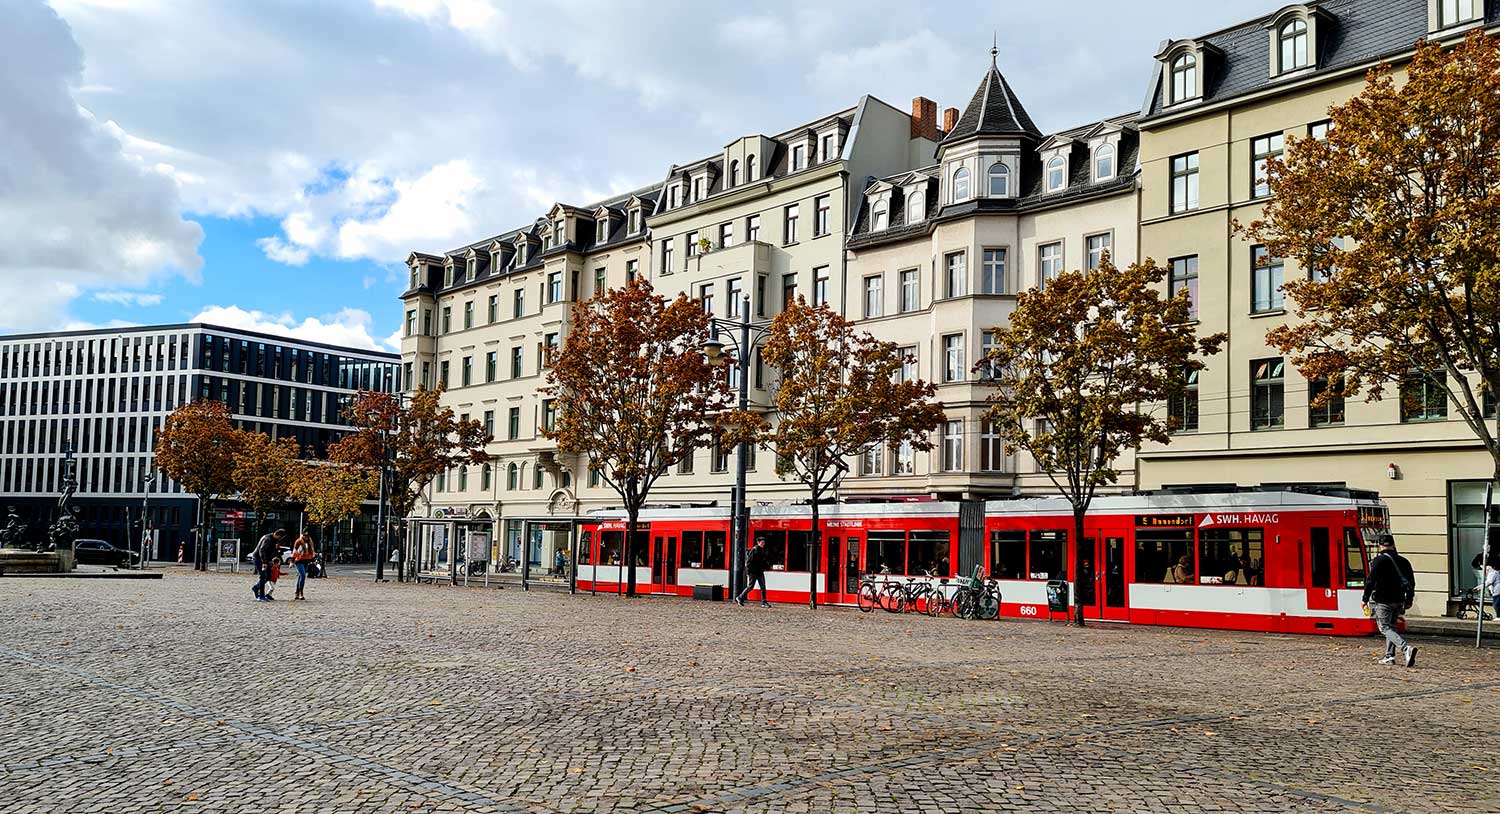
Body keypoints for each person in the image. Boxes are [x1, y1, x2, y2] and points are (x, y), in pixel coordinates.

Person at [1362, 533, 1417, 667]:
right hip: (1399, 599)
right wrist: (1409, 599)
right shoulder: (1403, 561)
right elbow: (1411, 582)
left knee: (1385, 627)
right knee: (1392, 627)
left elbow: (1370, 581)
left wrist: (1365, 598)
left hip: (1383, 600)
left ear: (1380, 545)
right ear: (1393, 545)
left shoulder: (1378, 561)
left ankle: (1405, 648)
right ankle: (1389, 656)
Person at [252, 529, 287, 601]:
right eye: (281, 538)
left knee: (268, 576)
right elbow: (262, 550)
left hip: (266, 559)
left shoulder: (274, 539)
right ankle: (261, 595)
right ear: (278, 535)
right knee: (263, 576)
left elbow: (271, 551)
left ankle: (256, 587)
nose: (280, 539)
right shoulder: (268, 539)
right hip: (259, 558)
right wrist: (264, 562)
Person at [736, 538, 770, 607]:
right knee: (751, 586)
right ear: (758, 542)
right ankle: (740, 597)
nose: (763, 544)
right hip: (754, 572)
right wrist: (748, 572)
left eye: (763, 543)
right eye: (762, 543)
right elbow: (749, 562)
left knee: (762, 586)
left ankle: (764, 601)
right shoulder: (754, 550)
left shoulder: (761, 550)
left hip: (759, 571)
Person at [291, 533, 316, 601]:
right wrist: (292, 561)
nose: (305, 537)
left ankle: (297, 592)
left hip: (306, 561)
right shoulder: (298, 541)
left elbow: (312, 551)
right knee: (303, 575)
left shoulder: (310, 542)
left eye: (307, 536)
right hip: (298, 560)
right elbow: (294, 551)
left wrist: (312, 559)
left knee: (300, 576)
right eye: (304, 536)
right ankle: (300, 593)